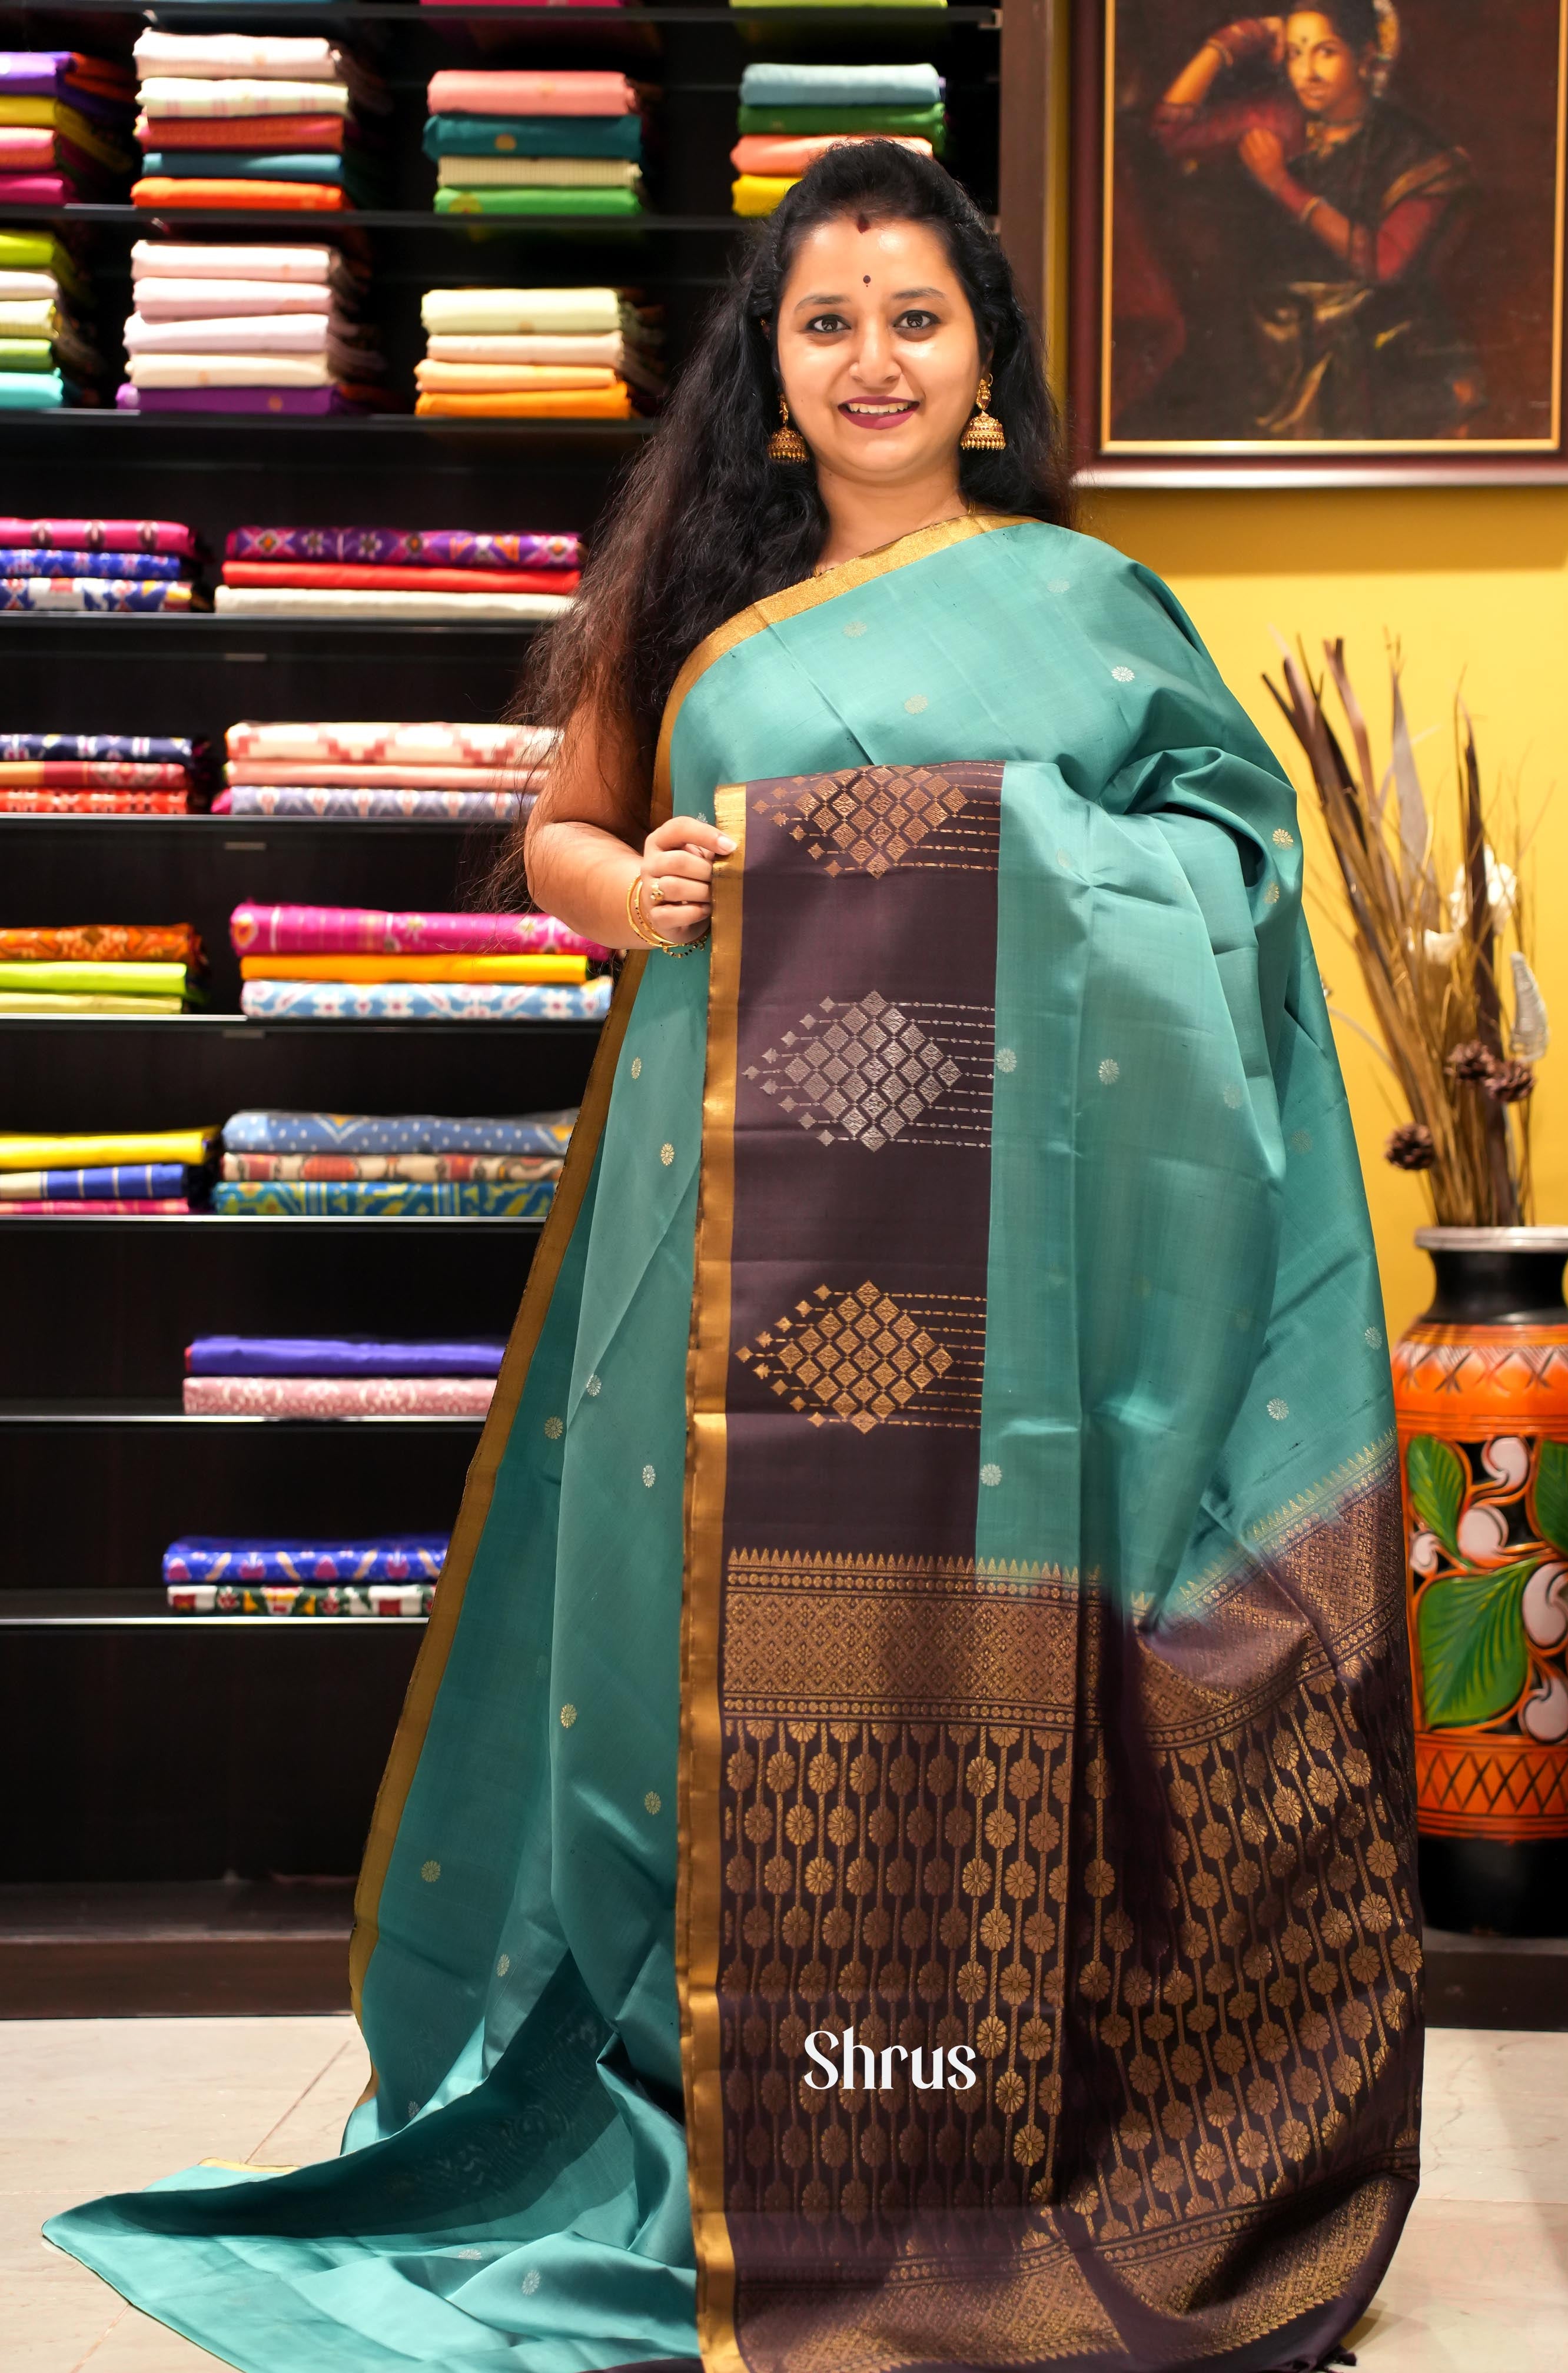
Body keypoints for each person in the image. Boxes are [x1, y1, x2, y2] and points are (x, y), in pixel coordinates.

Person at [45, 142, 1423, 2373]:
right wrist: (636, 887)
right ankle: (714, 2107)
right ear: (767, 377)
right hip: (713, 1260)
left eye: (914, 317)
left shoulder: (1081, 606)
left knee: (981, 1670)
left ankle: (948, 2121)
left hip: (1018, 1290)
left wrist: (1012, 862)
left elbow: (1222, 862)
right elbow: (560, 829)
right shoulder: (694, 601)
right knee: (689, 1667)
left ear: (982, 364)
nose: (870, 357)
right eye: (823, 322)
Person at [1136, 2, 1479, 439]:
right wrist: (1235, 40)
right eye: (1296, 53)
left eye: (1326, 52)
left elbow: (1383, 262)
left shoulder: (1414, 150)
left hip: (1374, 347)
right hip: (1272, 343)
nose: (1307, 72)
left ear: (1366, 56)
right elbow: (1170, 130)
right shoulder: (1280, 119)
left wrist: (1282, 185)